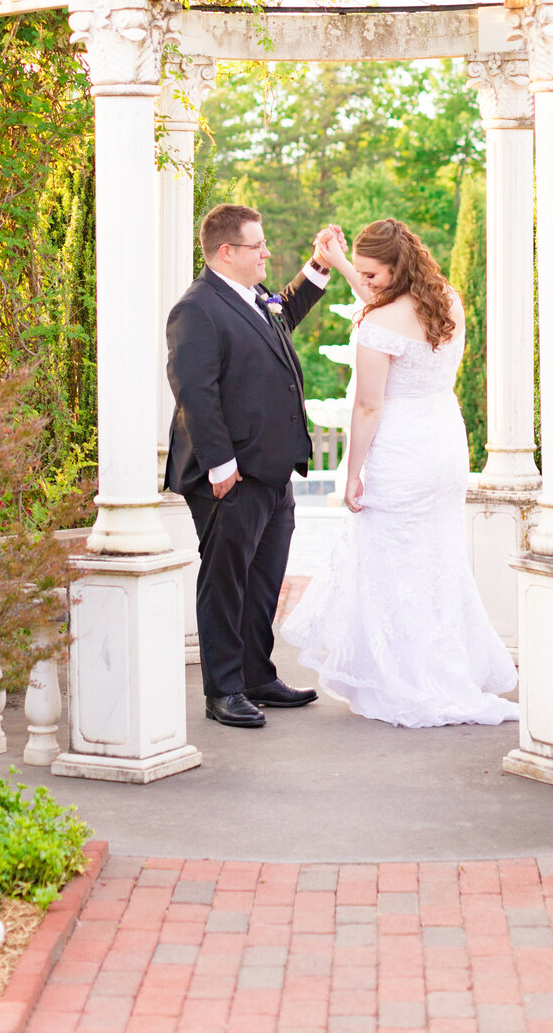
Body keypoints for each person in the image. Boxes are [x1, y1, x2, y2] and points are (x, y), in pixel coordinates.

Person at [282, 218, 520, 728]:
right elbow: (383, 304)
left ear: (396, 268)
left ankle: (404, 677)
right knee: (434, 558)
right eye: (360, 273)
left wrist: (353, 472)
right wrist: (343, 263)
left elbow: (368, 407)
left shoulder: (377, 324)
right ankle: (441, 666)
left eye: (372, 273)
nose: (365, 282)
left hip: (397, 449)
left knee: (390, 560)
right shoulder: (446, 300)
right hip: (443, 442)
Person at [165, 204, 341, 729]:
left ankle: (257, 676)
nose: (267, 252)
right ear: (227, 252)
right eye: (257, 245)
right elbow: (196, 390)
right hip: (229, 475)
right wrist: (221, 465)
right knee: (225, 582)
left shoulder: (248, 298)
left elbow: (281, 313)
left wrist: (318, 268)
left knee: (264, 580)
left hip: (272, 469)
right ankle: (222, 691)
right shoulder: (196, 308)